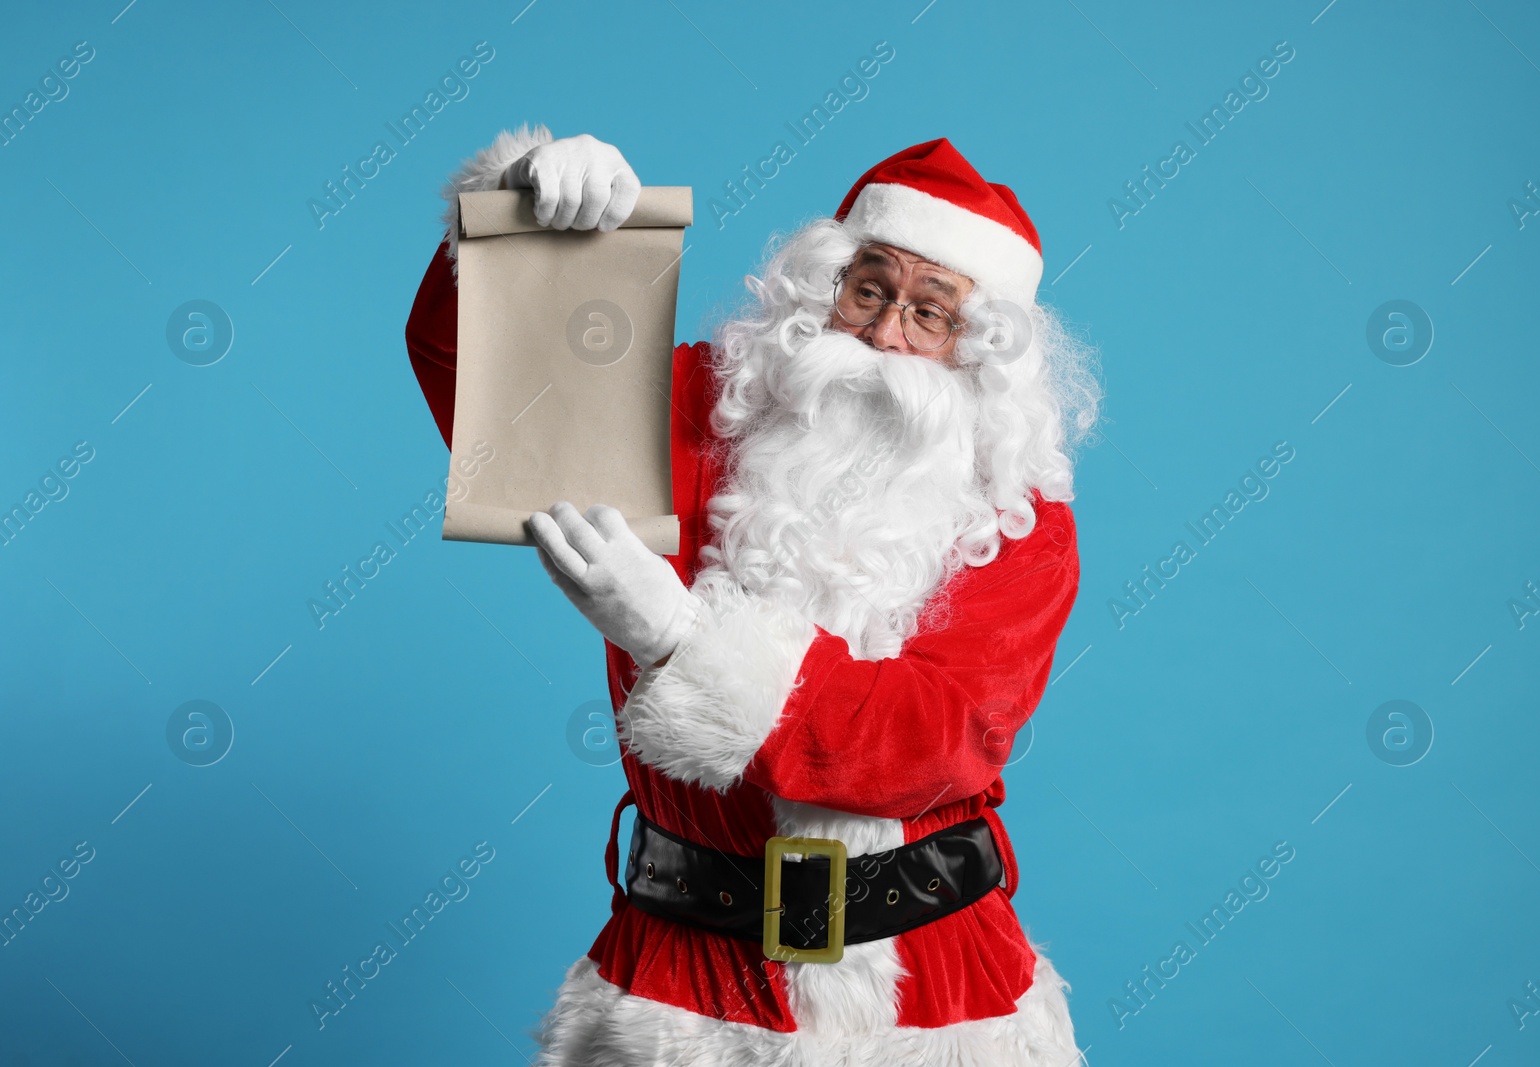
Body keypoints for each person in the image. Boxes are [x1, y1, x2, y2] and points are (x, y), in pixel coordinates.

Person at [405, 123, 1101, 1065]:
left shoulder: (1017, 520)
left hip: (937, 990)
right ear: (825, 288)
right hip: (684, 981)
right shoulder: (694, 406)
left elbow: (933, 734)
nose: (885, 336)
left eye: (930, 314)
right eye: (870, 290)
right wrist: (530, 227)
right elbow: (497, 399)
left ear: (979, 349)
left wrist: (683, 640)